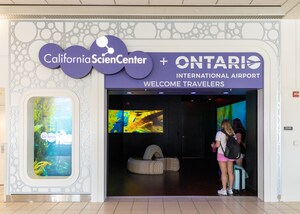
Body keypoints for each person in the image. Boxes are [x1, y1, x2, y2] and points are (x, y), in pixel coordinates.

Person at [211, 119, 236, 196]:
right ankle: (230, 189)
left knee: (224, 172)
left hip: (222, 154)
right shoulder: (233, 133)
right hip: (231, 155)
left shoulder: (219, 133)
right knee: (230, 172)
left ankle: (224, 190)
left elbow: (217, 145)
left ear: (222, 125)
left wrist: (213, 146)